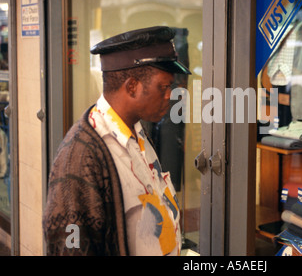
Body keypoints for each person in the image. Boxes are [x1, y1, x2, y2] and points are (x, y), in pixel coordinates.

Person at [43, 26, 191, 256]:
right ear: (131, 86)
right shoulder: (80, 158)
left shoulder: (138, 133)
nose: (170, 95)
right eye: (163, 87)